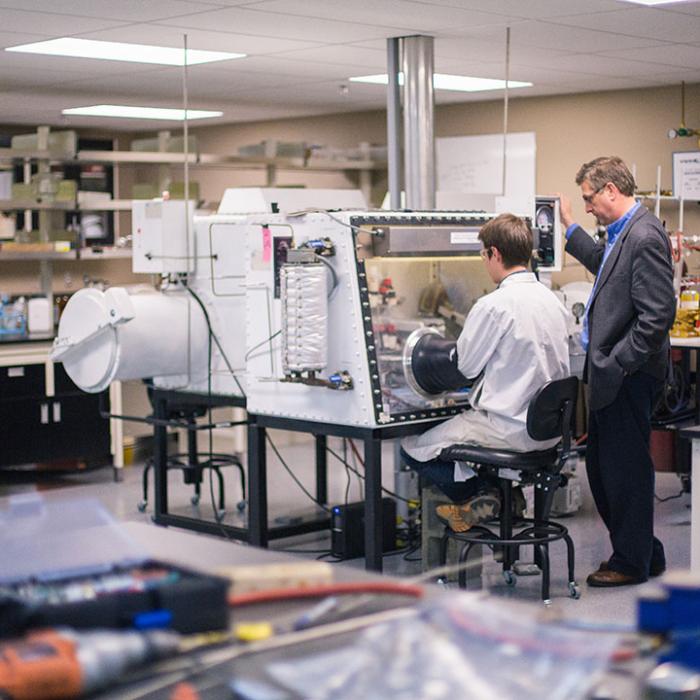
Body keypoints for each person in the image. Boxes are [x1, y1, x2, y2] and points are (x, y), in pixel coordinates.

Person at [401, 213, 570, 532]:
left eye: (483, 254)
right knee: (458, 439)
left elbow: (465, 367)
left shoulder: (494, 306)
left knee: (414, 448)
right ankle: (506, 495)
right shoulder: (551, 300)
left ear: (495, 253)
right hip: (549, 433)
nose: (484, 261)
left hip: (507, 429)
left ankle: (486, 495)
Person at [558, 156, 675, 587]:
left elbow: (658, 314)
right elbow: (606, 268)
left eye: (589, 198)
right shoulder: (623, 232)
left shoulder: (643, 235)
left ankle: (630, 563)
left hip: (627, 375)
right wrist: (569, 227)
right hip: (612, 372)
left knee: (622, 472)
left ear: (611, 190)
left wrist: (620, 361)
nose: (588, 206)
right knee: (605, 470)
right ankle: (647, 552)